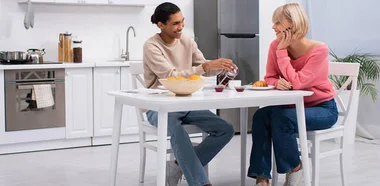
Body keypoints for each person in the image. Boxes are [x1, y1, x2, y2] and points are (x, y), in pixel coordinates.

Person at [143, 2, 237, 186]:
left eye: (182, 21)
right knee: (178, 132)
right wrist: (205, 66)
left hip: (187, 103)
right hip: (158, 107)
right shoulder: (151, 46)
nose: (181, 27)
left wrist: (220, 67)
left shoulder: (186, 40)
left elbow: (203, 67)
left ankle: (178, 166)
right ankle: (201, 183)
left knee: (225, 129)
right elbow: (170, 77)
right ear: (161, 25)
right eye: (175, 24)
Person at [247, 3, 339, 186]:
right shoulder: (275, 46)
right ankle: (262, 178)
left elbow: (297, 83)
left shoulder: (319, 50)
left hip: (322, 108)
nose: (273, 27)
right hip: (291, 106)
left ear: (292, 24)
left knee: (282, 119)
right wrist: (276, 82)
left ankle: (295, 168)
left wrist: (282, 52)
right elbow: (270, 76)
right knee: (260, 116)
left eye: (277, 22)